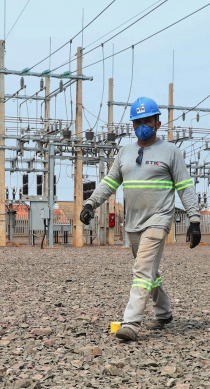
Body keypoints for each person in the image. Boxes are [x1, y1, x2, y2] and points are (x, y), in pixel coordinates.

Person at [80, 96, 202, 341]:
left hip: (159, 219)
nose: (142, 126)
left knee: (141, 271)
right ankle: (164, 312)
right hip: (133, 222)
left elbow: (185, 187)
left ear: (158, 122)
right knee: (149, 272)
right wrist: (91, 203)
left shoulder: (170, 152)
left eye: (147, 121)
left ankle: (131, 323)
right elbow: (110, 182)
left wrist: (195, 219)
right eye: (137, 122)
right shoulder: (125, 152)